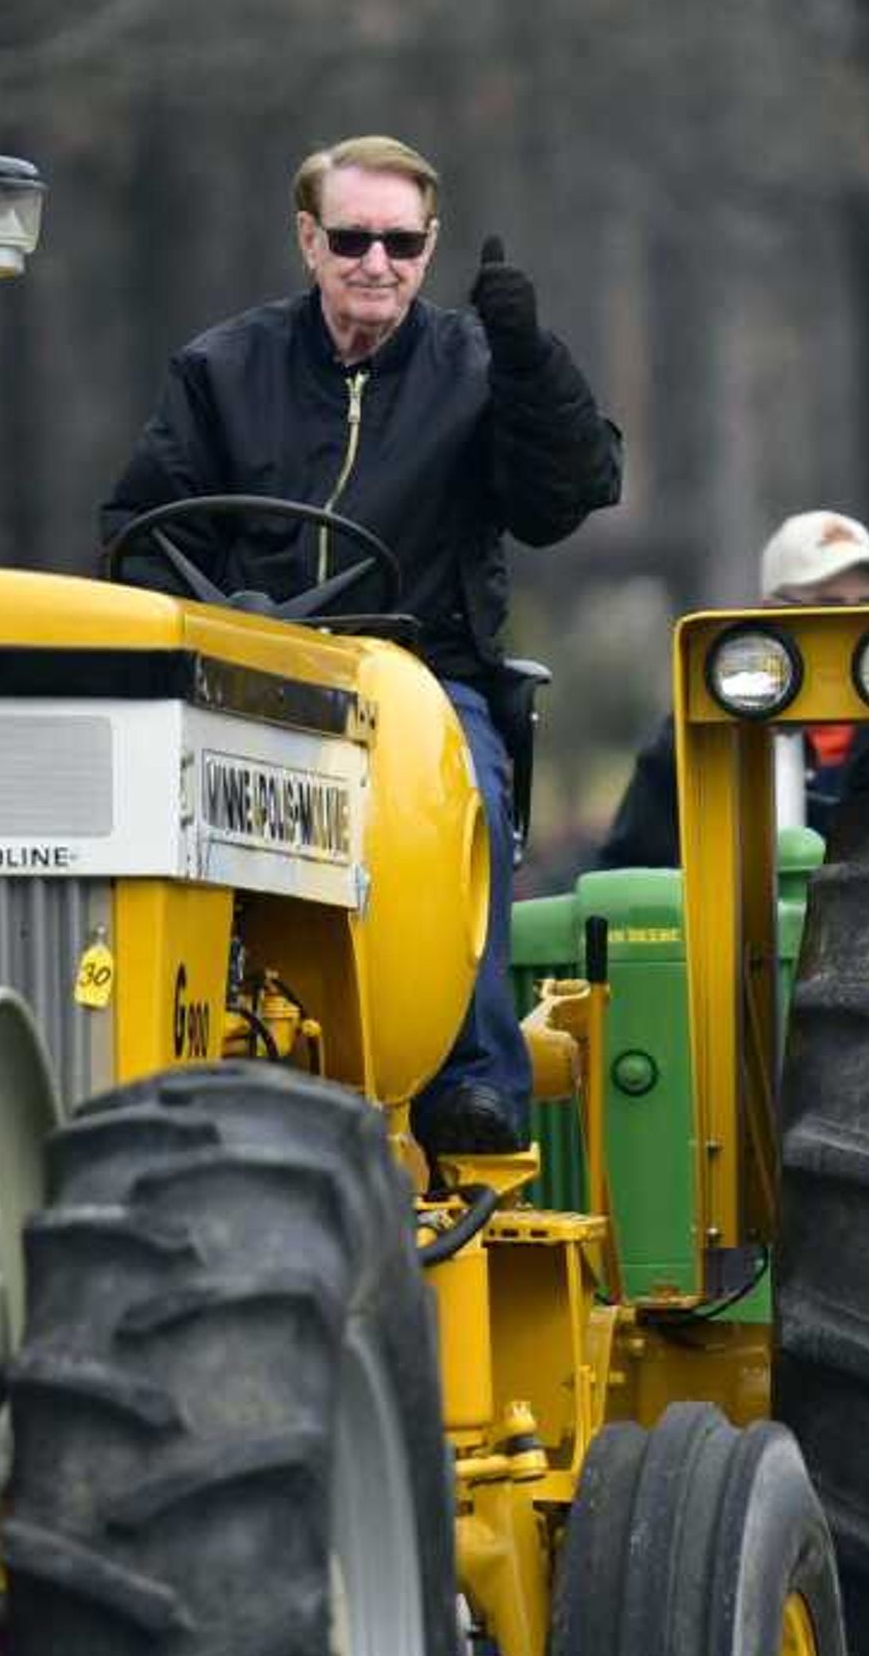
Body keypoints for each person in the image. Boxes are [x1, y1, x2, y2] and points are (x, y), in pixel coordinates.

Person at [103, 134, 622, 1155]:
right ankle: (139, 1058)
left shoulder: (478, 367)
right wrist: (222, 608)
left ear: (428, 249)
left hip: (421, 680)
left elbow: (567, 495)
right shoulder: (223, 370)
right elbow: (144, 532)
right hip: (246, 674)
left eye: (400, 241)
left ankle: (469, 1078)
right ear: (309, 240)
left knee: (455, 780)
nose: (375, 262)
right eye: (351, 238)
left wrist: (531, 361)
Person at [586, 510, 869, 869]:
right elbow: (630, 874)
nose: (856, 627)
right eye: (829, 609)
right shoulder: (705, 737)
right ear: (770, 613)